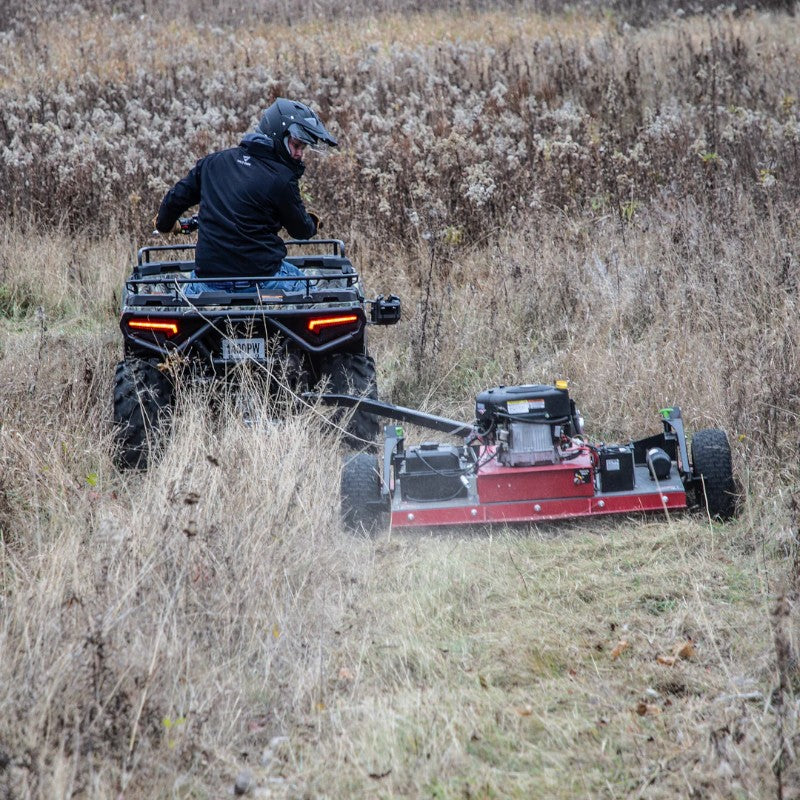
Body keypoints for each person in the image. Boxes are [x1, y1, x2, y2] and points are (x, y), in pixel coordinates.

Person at [154, 97, 338, 294]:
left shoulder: (212, 164)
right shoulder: (282, 179)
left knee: (180, 299)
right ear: (277, 135)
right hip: (264, 280)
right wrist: (312, 224)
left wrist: (165, 225)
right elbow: (300, 230)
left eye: (303, 148)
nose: (299, 154)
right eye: (296, 145)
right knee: (313, 294)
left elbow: (174, 199)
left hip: (207, 280)